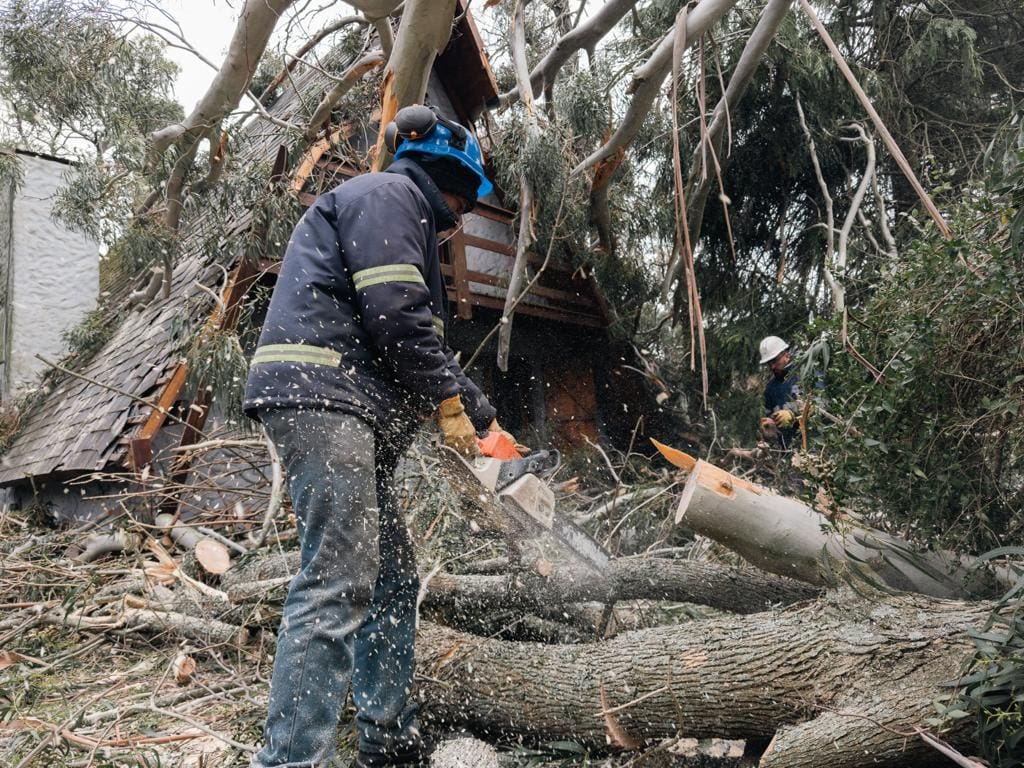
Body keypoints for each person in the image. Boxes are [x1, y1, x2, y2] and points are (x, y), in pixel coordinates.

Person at [243, 104, 513, 768]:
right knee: (337, 579)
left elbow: (407, 336)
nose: (461, 215)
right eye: (462, 201)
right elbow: (397, 316)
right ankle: (290, 761)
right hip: (321, 395)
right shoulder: (392, 195)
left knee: (391, 577)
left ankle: (387, 737)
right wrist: (455, 403)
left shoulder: (399, 210)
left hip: (339, 400)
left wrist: (477, 414)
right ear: (451, 177)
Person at [758, 335, 803, 449]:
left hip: (816, 446)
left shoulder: (805, 373)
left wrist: (793, 414)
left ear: (786, 355)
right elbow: (771, 416)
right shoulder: (770, 389)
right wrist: (771, 426)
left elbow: (822, 404)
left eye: (774, 361)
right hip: (788, 451)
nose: (772, 366)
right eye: (769, 363)